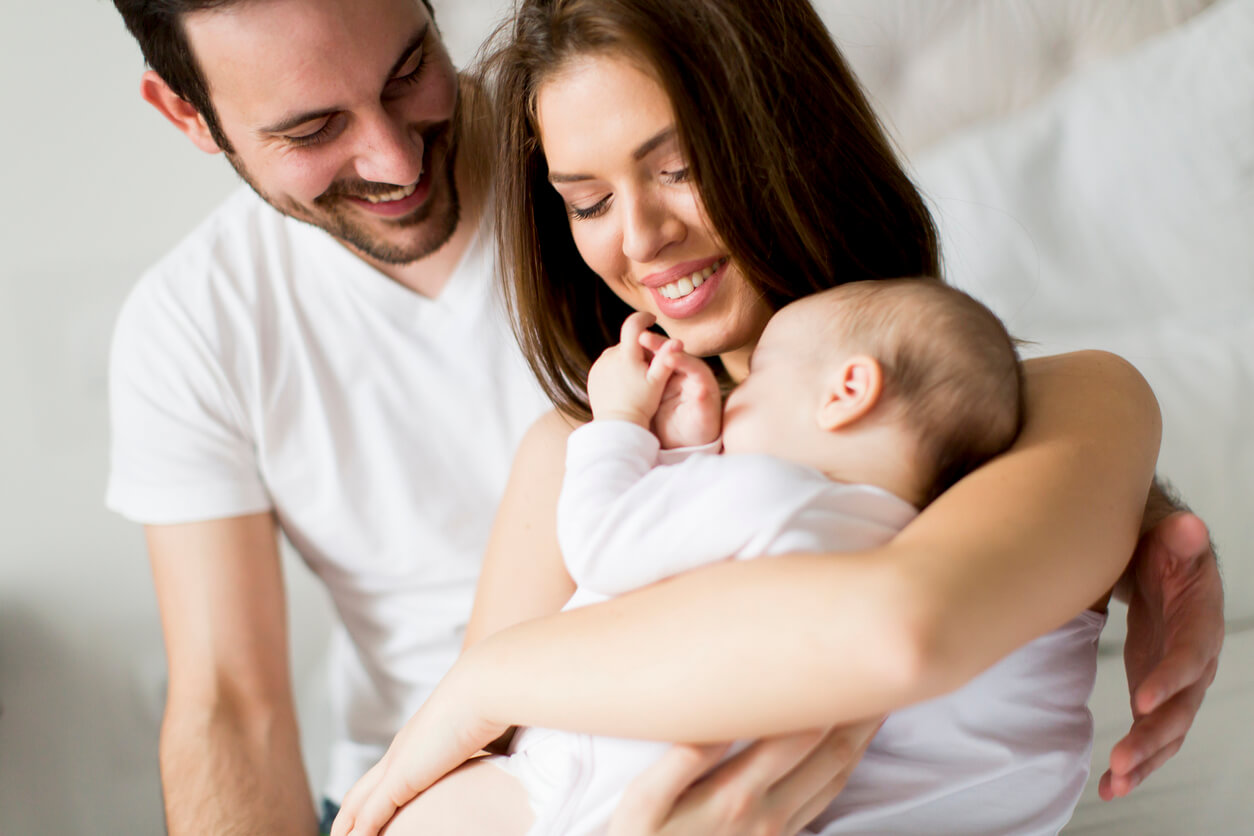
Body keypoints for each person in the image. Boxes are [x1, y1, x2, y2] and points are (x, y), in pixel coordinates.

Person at [104, 0, 1221, 834]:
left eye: (680, 168)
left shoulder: (1078, 391)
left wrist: (489, 679)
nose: (636, 239)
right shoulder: (575, 450)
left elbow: (901, 629)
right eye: (584, 200)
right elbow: (311, 742)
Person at [335, 280, 1114, 836]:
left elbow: (609, 541)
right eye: (590, 200)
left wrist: (618, 428)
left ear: (846, 390)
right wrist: (695, 452)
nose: (733, 396)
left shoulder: (767, 492)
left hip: (574, 786)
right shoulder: (908, 536)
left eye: (757, 380)